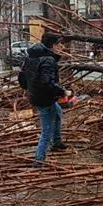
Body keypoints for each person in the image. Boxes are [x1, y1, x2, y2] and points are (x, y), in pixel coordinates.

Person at [25, 32, 70, 167]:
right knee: (46, 132)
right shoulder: (48, 60)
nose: (61, 47)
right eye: (58, 44)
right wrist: (62, 92)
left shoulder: (32, 56)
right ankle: (38, 161)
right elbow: (47, 83)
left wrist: (31, 89)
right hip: (45, 99)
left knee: (58, 113)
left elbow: (23, 77)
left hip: (36, 95)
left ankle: (57, 142)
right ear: (52, 45)